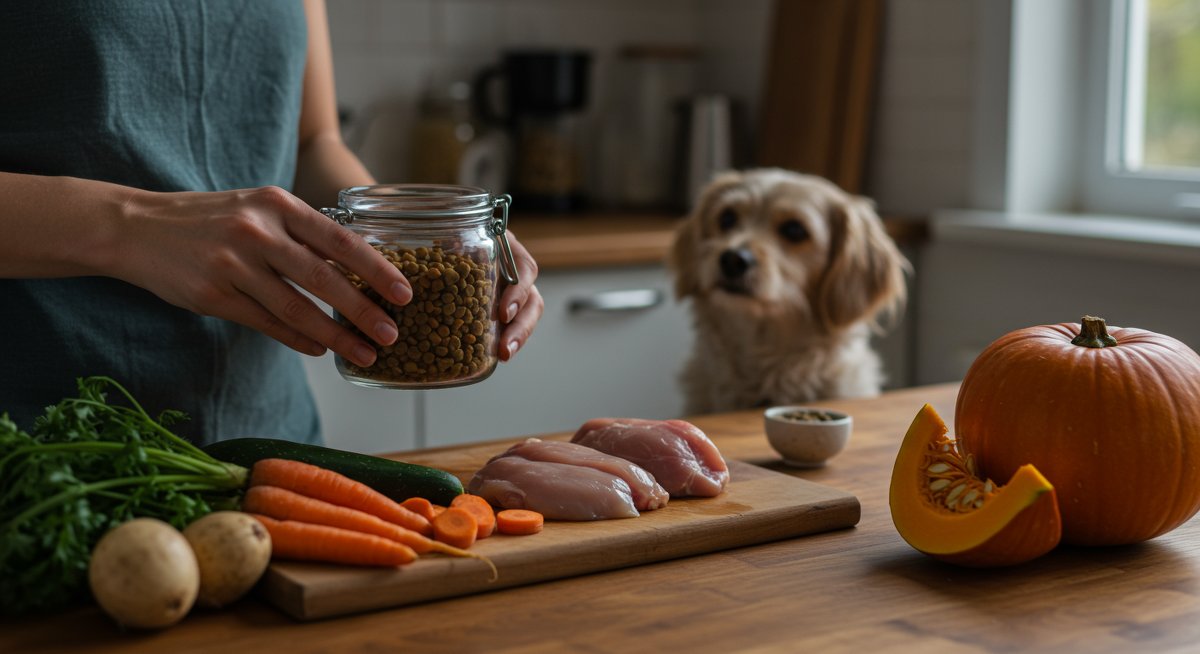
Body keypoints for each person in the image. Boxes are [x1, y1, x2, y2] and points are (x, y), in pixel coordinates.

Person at [0, 0, 544, 445]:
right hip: (47, 443)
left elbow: (312, 145)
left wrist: (432, 234)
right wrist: (131, 225)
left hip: (270, 442)